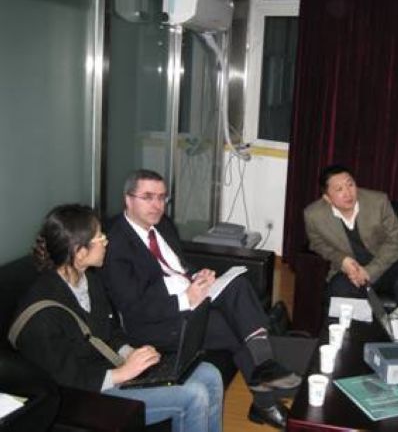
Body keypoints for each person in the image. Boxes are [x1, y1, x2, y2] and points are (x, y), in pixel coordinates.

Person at [101, 169, 300, 430]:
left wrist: (197, 275)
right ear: (128, 199)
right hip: (157, 322)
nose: (157, 205)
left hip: (190, 295)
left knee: (238, 285)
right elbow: (134, 308)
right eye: (147, 197)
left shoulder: (162, 224)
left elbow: (178, 265)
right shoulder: (115, 243)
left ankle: (265, 366)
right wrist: (186, 298)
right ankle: (265, 400)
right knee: (233, 326)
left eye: (161, 197)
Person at [12, 204, 223, 432]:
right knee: (194, 395)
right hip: (84, 394)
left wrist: (129, 353)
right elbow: (65, 380)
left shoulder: (89, 280)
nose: (106, 241)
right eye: (100, 237)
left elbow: (110, 331)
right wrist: (122, 373)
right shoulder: (42, 314)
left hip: (111, 370)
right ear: (80, 252)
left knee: (210, 374)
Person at [304, 164, 398, 308]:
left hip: (387, 264)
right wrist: (341, 260)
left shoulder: (378, 202)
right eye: (339, 189)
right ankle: (346, 324)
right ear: (327, 198)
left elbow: (396, 238)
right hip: (351, 271)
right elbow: (317, 243)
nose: (348, 193)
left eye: (350, 185)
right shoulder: (314, 215)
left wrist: (369, 271)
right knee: (337, 290)